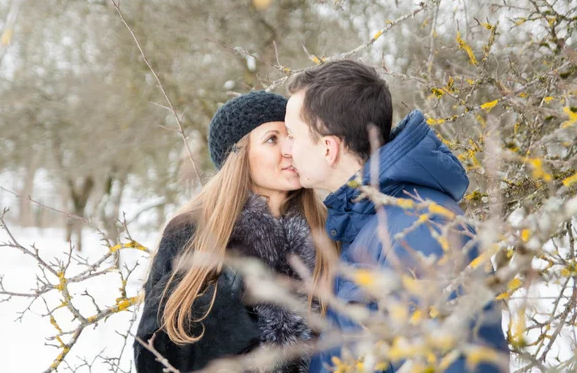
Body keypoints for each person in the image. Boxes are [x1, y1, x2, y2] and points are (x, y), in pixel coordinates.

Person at [282, 60, 509, 372]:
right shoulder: (367, 222)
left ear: (328, 148)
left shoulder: (420, 227)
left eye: (292, 135)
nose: (287, 150)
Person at [134, 91, 334, 373]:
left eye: (291, 136)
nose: (289, 149)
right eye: (272, 139)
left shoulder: (328, 228)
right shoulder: (193, 231)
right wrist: (234, 292)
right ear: (238, 156)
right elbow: (154, 353)